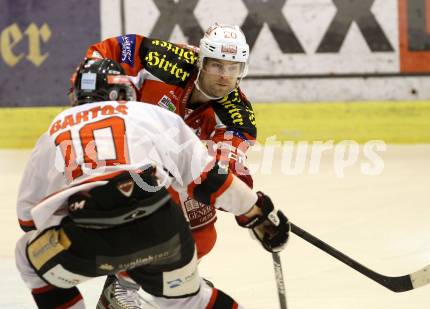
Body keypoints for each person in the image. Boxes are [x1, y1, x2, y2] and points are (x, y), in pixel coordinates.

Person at [15, 58, 290, 309]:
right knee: (189, 300)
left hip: (91, 234)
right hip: (162, 230)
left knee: (26, 256)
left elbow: (28, 219)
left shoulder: (56, 128)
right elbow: (209, 179)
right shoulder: (153, 115)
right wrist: (256, 213)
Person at [83, 23, 256, 263]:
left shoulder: (237, 115)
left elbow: (227, 169)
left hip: (169, 167)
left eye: (233, 67)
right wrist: (90, 92)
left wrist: (249, 205)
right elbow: (106, 51)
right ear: (201, 62)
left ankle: (156, 280)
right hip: (121, 145)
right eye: (216, 64)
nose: (224, 75)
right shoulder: (167, 59)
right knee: (152, 204)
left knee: (203, 233)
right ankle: (126, 277)